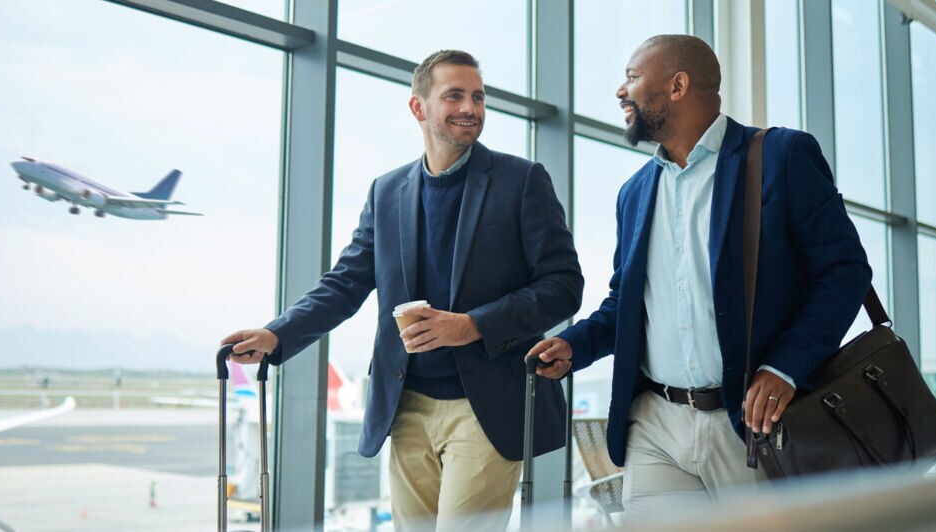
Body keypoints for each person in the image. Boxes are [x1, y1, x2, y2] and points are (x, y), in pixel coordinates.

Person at [222, 50, 583, 531]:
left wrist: (472, 326)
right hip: (406, 404)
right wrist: (277, 335)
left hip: (487, 407)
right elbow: (345, 282)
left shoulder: (521, 181)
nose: (470, 108)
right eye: (454, 96)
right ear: (418, 107)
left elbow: (563, 285)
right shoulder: (387, 191)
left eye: (478, 97)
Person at [528, 34, 871, 522]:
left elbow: (844, 270)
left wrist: (784, 367)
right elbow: (626, 303)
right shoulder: (634, 193)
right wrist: (574, 346)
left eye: (631, 77)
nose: (620, 91)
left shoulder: (781, 156)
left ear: (678, 86)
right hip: (656, 424)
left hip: (751, 424)